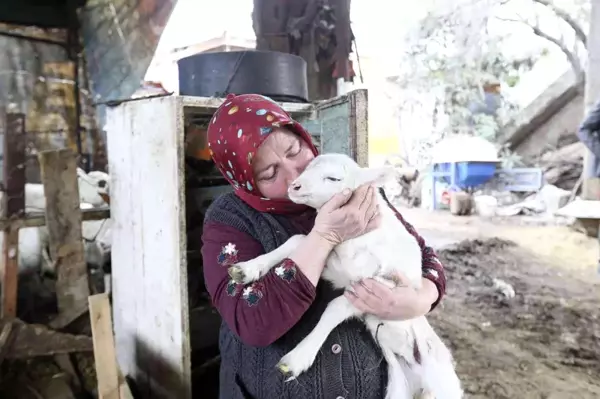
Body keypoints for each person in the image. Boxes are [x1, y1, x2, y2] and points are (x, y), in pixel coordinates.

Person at [201, 93, 447, 399]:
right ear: (247, 181)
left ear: (303, 137)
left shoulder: (348, 182)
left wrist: (420, 299)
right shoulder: (231, 219)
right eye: (270, 173)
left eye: (294, 151)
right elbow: (253, 321)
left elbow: (421, 252)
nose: (295, 175)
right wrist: (324, 237)